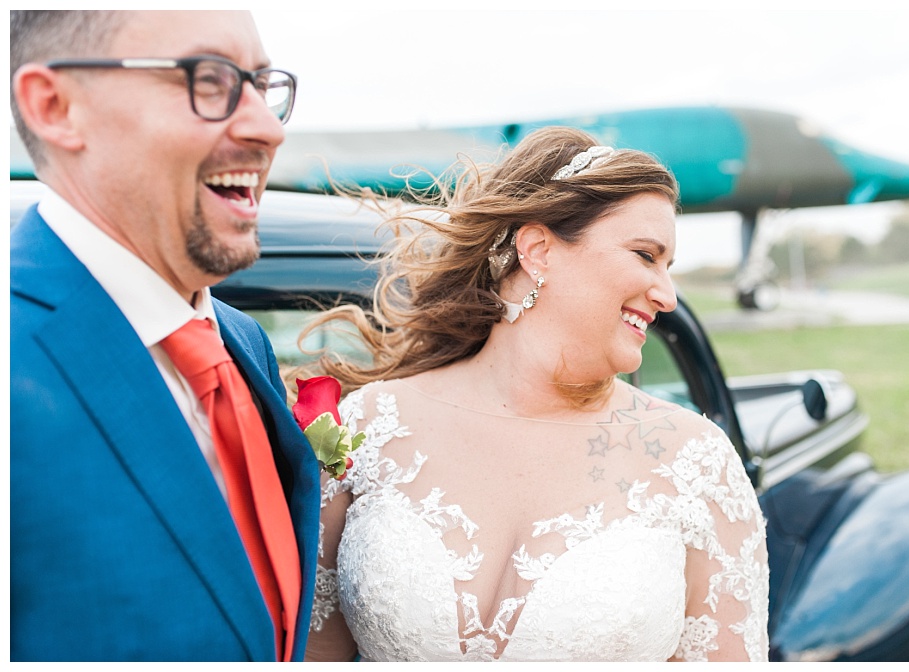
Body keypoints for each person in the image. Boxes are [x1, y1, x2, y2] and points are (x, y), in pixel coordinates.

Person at [299, 126, 770, 662]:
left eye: (669, 267)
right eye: (646, 255)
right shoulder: (369, 427)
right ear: (539, 250)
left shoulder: (696, 462)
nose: (666, 295)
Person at [10, 10, 320, 661]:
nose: (268, 127)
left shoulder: (241, 342)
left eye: (263, 84)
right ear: (57, 106)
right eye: (210, 80)